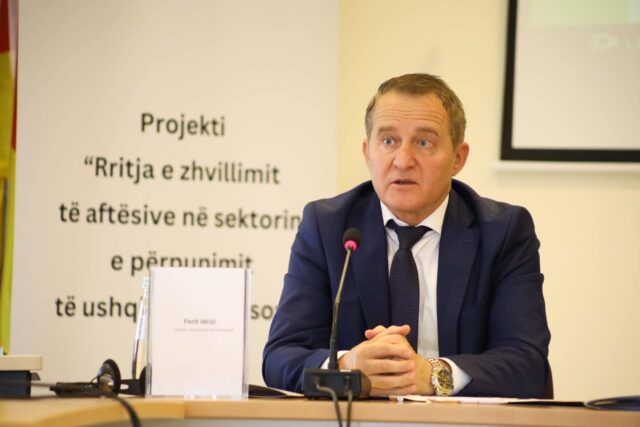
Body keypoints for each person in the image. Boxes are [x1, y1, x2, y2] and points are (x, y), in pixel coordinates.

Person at [262, 73, 551, 398]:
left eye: (424, 142)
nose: (402, 161)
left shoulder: (503, 232)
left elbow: (528, 365)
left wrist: (433, 374)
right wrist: (346, 366)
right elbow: (280, 357)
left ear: (458, 158)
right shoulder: (327, 227)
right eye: (388, 141)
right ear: (367, 152)